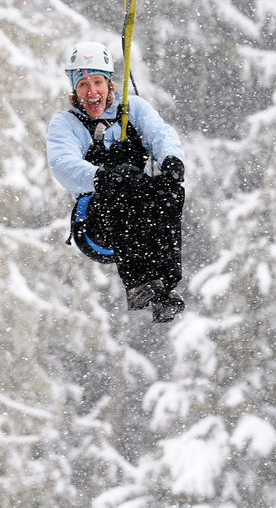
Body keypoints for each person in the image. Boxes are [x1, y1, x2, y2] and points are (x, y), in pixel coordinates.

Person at [46, 41, 187, 323]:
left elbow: (160, 134)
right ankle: (138, 283)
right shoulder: (67, 123)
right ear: (75, 90)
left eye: (97, 82)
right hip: (97, 223)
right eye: (83, 85)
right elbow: (62, 164)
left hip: (141, 218)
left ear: (109, 84)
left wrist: (172, 161)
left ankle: (166, 287)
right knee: (121, 190)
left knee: (168, 191)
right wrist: (101, 177)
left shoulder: (132, 110)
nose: (92, 92)